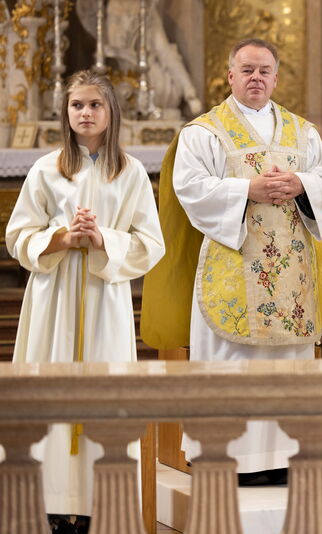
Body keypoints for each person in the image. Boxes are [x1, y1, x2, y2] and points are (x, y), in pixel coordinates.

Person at [142, 38, 322, 485]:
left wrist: (301, 183)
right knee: (231, 362)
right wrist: (248, 189)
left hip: (291, 275)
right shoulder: (204, 132)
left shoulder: (303, 132)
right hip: (233, 262)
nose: (256, 78)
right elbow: (189, 187)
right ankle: (225, 457)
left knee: (287, 364)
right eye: (247, 70)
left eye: (264, 71)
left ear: (276, 78)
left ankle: (284, 456)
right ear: (230, 76)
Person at [6, 70, 165, 533]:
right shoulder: (46, 169)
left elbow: (151, 243)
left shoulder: (130, 173)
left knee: (105, 395)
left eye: (95, 104)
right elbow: (18, 235)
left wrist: (102, 239)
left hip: (104, 299)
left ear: (111, 111)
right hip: (52, 301)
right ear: (66, 112)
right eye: (77, 105)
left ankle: (102, 506)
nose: (86, 113)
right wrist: (61, 237)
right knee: (51, 393)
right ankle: (50, 506)